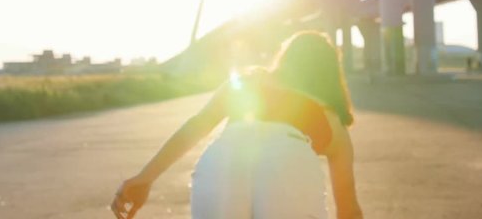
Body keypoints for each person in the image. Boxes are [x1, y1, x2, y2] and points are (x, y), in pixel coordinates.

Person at [111, 31, 363, 219]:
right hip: (290, 162)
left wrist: (146, 177)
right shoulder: (331, 121)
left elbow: (195, 126)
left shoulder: (247, 82)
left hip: (222, 162)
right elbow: (348, 209)